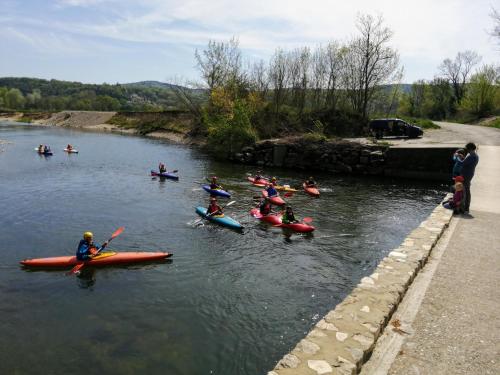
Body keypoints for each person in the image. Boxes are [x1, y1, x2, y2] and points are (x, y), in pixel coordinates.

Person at [461, 142, 479, 214]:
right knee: (466, 190)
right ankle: (465, 207)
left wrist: (458, 157)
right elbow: (466, 162)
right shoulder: (475, 156)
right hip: (469, 174)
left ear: (470, 148)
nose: (467, 150)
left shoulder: (471, 156)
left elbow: (462, 163)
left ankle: (466, 209)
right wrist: (463, 158)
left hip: (466, 175)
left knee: (466, 191)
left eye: (467, 149)